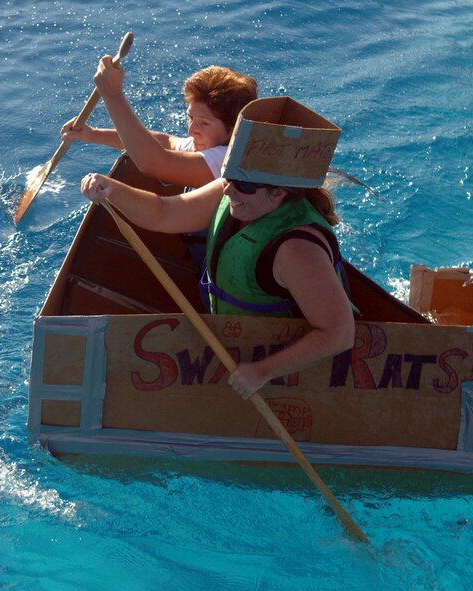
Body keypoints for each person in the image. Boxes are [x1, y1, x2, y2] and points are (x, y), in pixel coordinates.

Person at [79, 96, 356, 400]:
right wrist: (113, 190)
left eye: (244, 185)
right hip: (241, 347)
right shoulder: (233, 191)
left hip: (283, 368)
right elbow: (163, 212)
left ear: (278, 193)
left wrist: (263, 370)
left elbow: (340, 333)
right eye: (229, 175)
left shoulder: (297, 250)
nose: (229, 189)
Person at [61, 61, 257, 188]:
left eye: (204, 124)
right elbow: (166, 142)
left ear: (233, 129)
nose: (191, 131)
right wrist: (93, 134)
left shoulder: (226, 160)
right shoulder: (209, 143)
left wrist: (112, 95)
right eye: (191, 118)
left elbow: (153, 162)